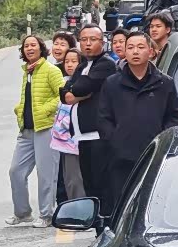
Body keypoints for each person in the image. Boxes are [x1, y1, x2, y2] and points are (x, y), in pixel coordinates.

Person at [98, 31, 178, 215]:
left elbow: (174, 117)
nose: (135, 51)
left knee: (151, 204)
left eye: (140, 47)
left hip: (154, 155)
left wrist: (163, 142)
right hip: (121, 157)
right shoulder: (112, 84)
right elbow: (104, 118)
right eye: (130, 47)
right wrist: (115, 141)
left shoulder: (164, 83)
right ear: (125, 52)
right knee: (121, 205)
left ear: (151, 52)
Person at [8, 35, 64, 228]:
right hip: (26, 130)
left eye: (33, 45)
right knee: (16, 171)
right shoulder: (27, 71)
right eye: (26, 46)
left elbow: (63, 95)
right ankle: (23, 213)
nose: (29, 48)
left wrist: (45, 110)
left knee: (46, 173)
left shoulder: (51, 70)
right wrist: (19, 109)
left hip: (46, 128)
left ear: (41, 49)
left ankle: (47, 215)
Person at [61, 26, 117, 218]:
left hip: (98, 135)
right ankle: (96, 226)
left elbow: (80, 87)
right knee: (90, 186)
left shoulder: (106, 64)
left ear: (102, 42)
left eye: (93, 39)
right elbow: (65, 93)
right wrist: (76, 91)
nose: (87, 43)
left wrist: (76, 91)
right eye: (84, 39)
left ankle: (106, 225)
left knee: (102, 186)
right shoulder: (82, 65)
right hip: (82, 135)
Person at [50, 48, 86, 199]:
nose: (70, 65)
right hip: (63, 142)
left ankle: (79, 211)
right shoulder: (65, 82)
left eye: (74, 61)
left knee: (75, 181)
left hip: (74, 142)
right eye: (67, 61)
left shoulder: (83, 84)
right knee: (68, 180)